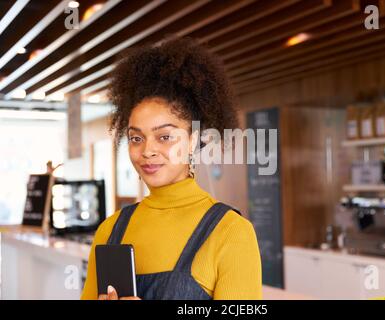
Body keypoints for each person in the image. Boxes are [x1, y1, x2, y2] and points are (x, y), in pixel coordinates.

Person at [81, 36, 262, 300]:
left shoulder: (231, 232)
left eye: (164, 136)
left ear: (193, 140)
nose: (147, 151)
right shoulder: (110, 230)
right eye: (136, 138)